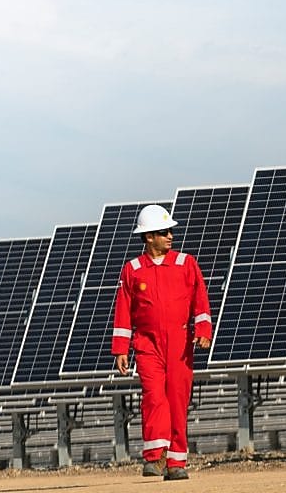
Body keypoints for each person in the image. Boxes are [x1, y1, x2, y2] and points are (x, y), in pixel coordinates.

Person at [111, 204, 213, 480]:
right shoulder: (132, 270)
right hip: (147, 345)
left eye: (170, 231)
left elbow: (200, 299)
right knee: (154, 397)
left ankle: (176, 463)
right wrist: (120, 349)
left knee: (177, 400)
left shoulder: (186, 263)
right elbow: (123, 311)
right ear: (148, 237)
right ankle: (155, 457)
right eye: (164, 232)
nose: (170, 236)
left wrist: (203, 329)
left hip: (180, 345)